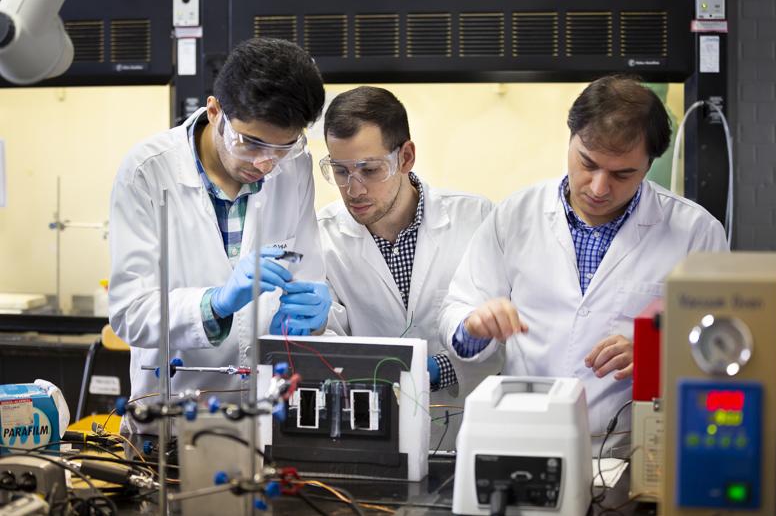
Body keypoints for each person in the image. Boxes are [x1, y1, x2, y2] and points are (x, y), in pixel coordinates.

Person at [439, 75, 728, 453]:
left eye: (622, 174)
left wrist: (659, 352)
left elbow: (723, 346)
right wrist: (475, 324)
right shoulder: (516, 214)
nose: (598, 188)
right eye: (587, 163)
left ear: (649, 164)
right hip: (524, 442)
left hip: (627, 452)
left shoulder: (695, 232)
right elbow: (456, 309)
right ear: (571, 137)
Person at [109, 38, 331, 433]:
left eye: (285, 146)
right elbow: (129, 312)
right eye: (251, 143)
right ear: (214, 112)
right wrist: (216, 304)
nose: (266, 163)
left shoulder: (294, 167)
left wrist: (311, 315)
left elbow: (307, 273)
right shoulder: (148, 171)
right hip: (170, 424)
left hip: (266, 419)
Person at [317, 86, 501, 451]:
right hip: (369, 436)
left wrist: (434, 369)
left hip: (467, 434)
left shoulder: (476, 218)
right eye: (339, 171)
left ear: (406, 157)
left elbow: (501, 336)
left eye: (369, 170)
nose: (353, 190)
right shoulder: (322, 238)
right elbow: (328, 348)